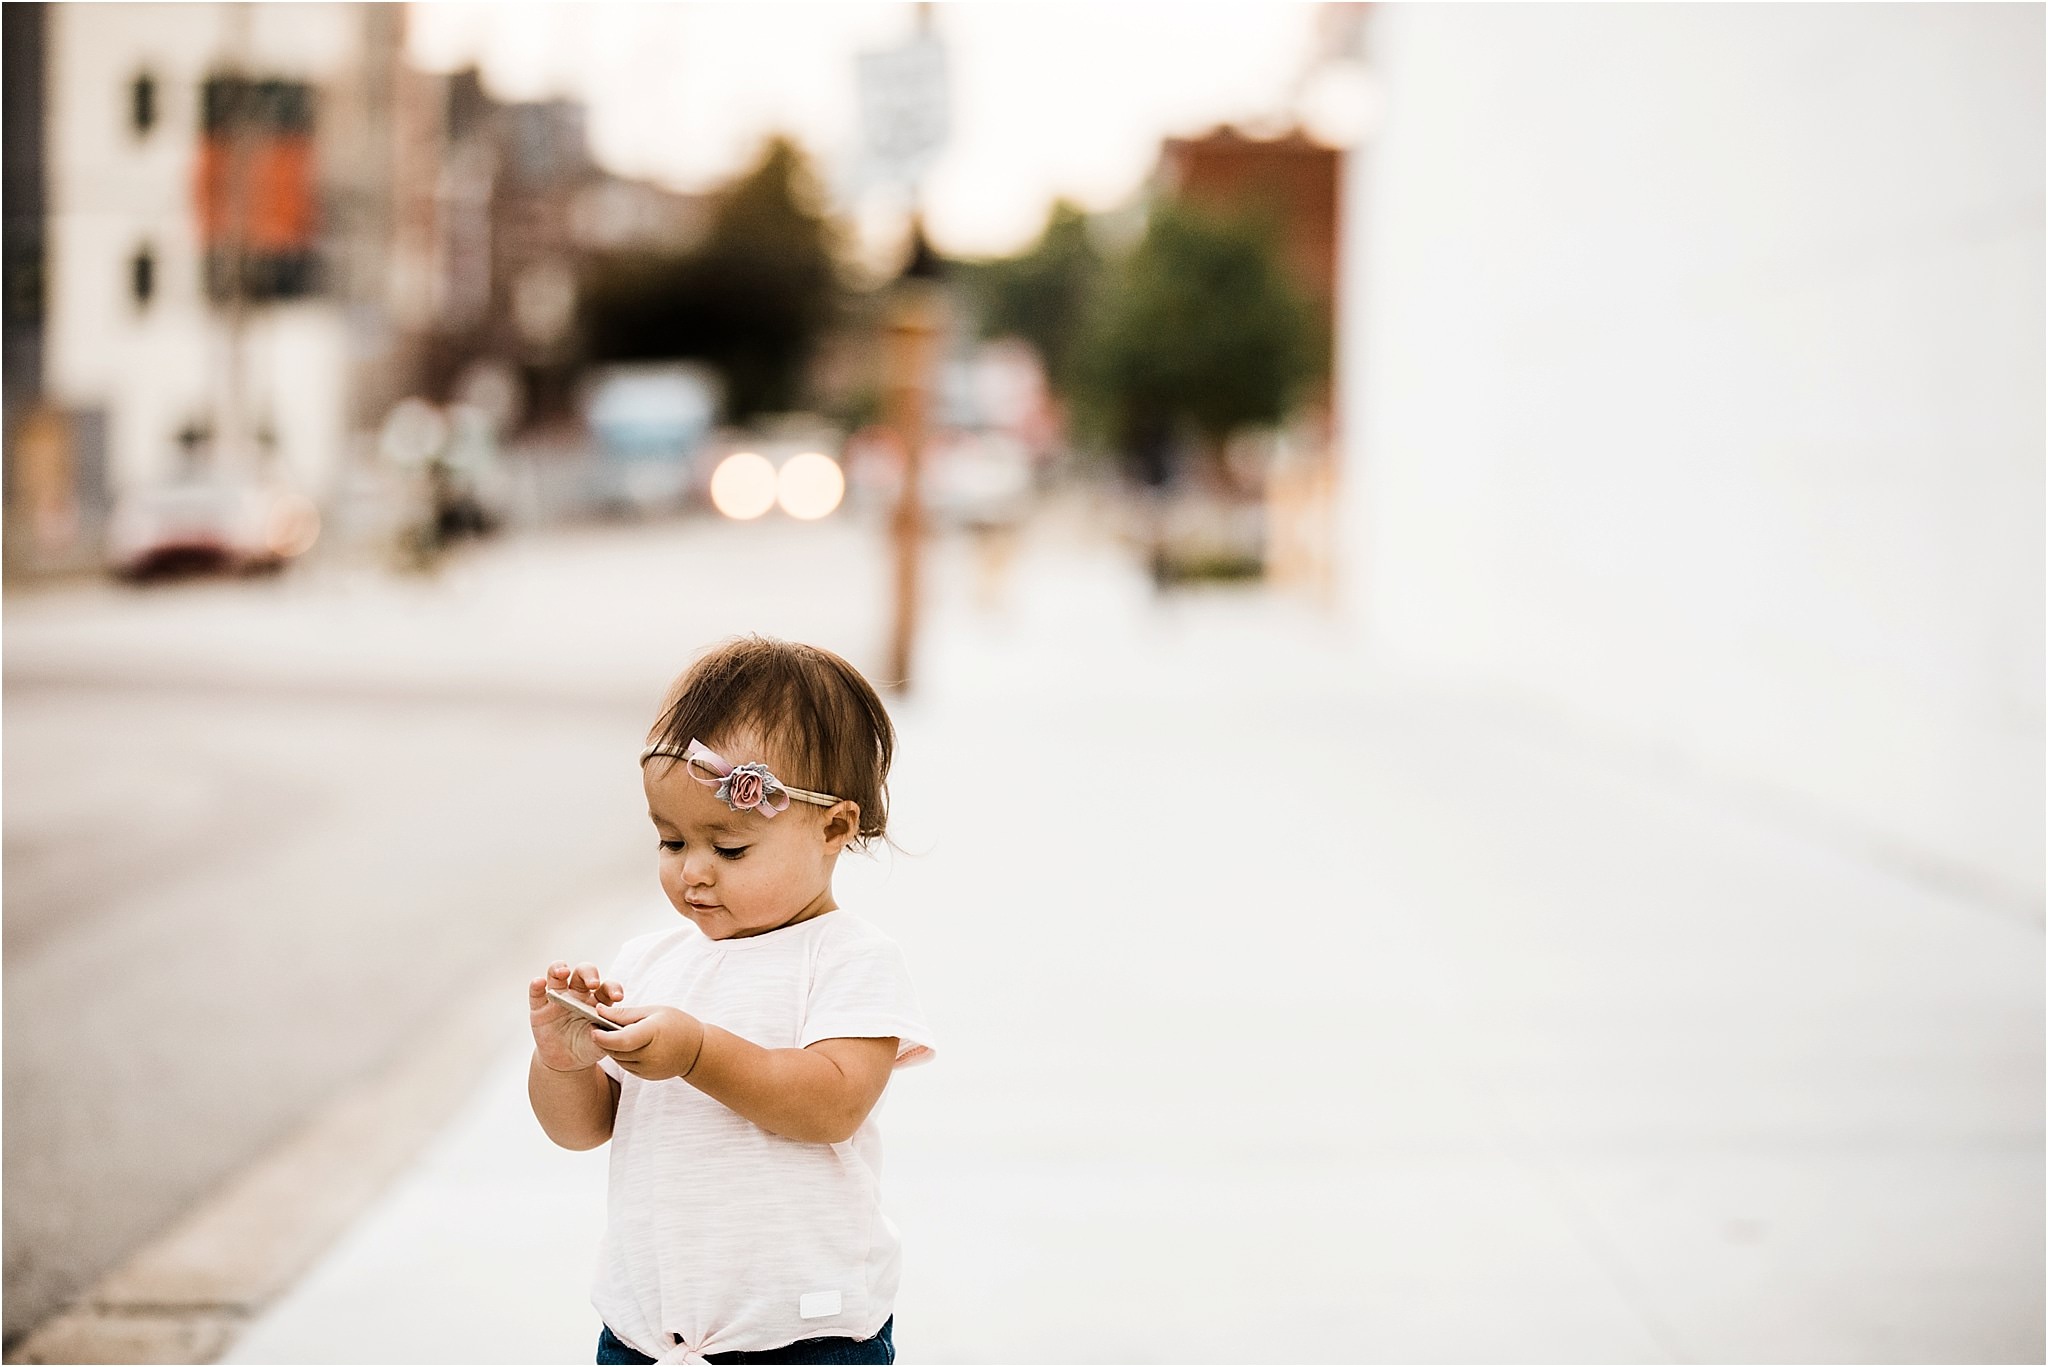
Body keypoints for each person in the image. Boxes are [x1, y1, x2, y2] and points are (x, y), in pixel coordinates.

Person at [528, 636, 936, 1366]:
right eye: (671, 841)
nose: (693, 872)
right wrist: (564, 1064)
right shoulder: (650, 962)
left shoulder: (848, 960)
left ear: (834, 827)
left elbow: (828, 1104)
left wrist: (697, 1051)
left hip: (802, 1332)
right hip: (646, 1331)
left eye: (730, 849)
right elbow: (584, 1128)